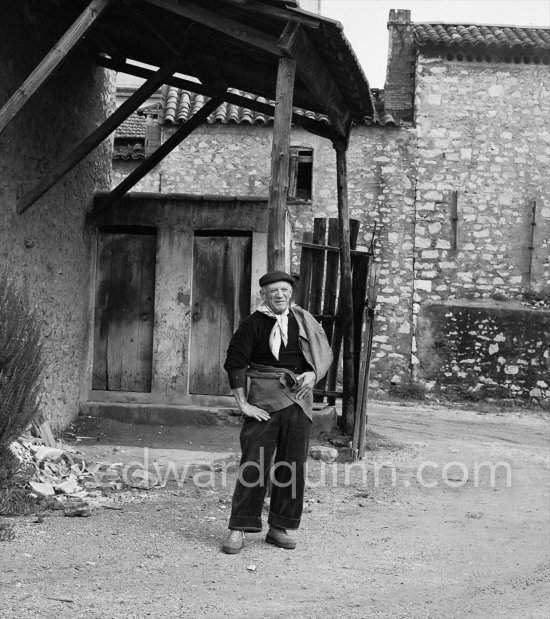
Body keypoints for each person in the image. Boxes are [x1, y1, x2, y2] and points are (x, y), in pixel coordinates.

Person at [222, 270, 332, 554]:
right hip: (264, 401)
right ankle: (239, 527)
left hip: (299, 400)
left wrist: (313, 375)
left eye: (284, 290)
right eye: (273, 292)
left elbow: (322, 354)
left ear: (290, 293)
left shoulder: (302, 320)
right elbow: (235, 363)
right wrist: (243, 405)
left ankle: (279, 527)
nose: (280, 295)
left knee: (292, 465)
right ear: (264, 296)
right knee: (254, 463)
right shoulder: (252, 324)